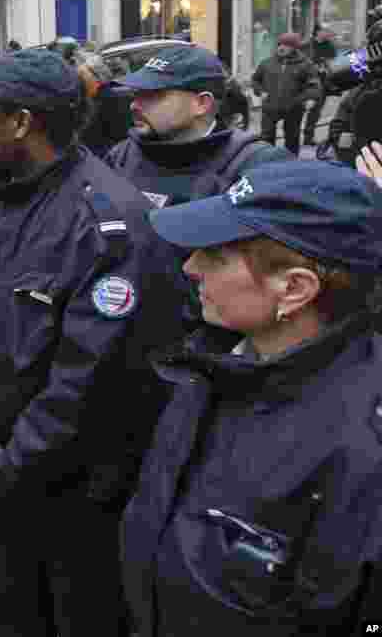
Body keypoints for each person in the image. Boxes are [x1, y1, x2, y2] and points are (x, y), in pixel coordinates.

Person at [0, 49, 184, 636]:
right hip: (1, 461)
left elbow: (88, 376)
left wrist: (14, 462)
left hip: (75, 484)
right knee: (18, 611)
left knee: (80, 616)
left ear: (22, 122)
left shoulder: (106, 222)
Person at [124, 159, 382, 636]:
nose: (190, 266)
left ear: (295, 289)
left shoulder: (359, 452)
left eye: (216, 255)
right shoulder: (220, 363)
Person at [106, 45, 290, 330]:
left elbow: (269, 271)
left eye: (153, 95)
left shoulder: (255, 165)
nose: (135, 104)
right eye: (136, 94)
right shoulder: (122, 155)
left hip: (206, 337)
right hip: (121, 325)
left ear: (202, 104)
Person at [250, 33, 321, 155]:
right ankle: (266, 160)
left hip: (293, 107)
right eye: (280, 44)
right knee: (266, 137)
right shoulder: (266, 63)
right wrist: (260, 92)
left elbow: (313, 84)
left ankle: (290, 162)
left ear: (294, 48)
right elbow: (255, 80)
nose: (282, 48)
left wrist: (310, 98)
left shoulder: (305, 64)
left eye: (287, 45)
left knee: (292, 137)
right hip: (270, 106)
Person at [301, 22, 337, 147]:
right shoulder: (306, 45)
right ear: (318, 32)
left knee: (315, 112)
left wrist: (326, 68)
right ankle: (294, 135)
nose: (328, 33)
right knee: (299, 109)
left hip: (322, 83)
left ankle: (308, 138)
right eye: (325, 30)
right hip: (306, 84)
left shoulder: (330, 46)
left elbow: (332, 64)